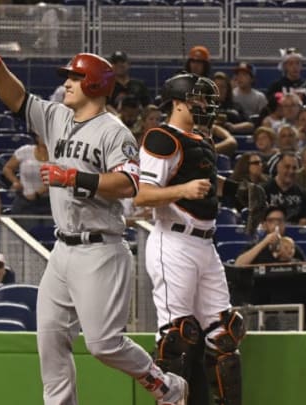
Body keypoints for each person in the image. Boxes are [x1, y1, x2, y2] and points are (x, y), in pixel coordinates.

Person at [0, 38, 189, 404]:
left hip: (100, 249)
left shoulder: (112, 130)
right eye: (68, 77)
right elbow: (18, 99)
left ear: (96, 84)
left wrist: (76, 179)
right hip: (63, 249)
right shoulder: (57, 116)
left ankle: (166, 386)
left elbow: (130, 183)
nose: (67, 83)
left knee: (103, 344)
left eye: (74, 77)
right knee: (50, 340)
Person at [134, 71, 244, 405]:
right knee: (177, 337)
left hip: (205, 243)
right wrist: (183, 189)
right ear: (179, 102)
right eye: (199, 99)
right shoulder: (161, 138)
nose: (206, 105)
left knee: (226, 332)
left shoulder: (201, 140)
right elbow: (143, 195)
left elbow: (207, 180)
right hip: (174, 241)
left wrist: (239, 191)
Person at [235, 205, 306, 265]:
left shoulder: (292, 247)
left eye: (280, 220)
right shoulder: (255, 246)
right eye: (271, 220)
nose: (276, 224)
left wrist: (289, 258)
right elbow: (238, 264)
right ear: (264, 225)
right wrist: (265, 242)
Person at [2, 134, 51, 215]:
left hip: (49, 202)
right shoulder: (25, 151)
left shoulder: (58, 155)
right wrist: (15, 182)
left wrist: (39, 193)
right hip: (24, 200)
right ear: (37, 137)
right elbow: (7, 168)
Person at [263, 151, 306, 225]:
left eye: (294, 168)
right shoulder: (264, 190)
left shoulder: (302, 193)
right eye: (287, 167)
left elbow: (304, 220)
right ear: (278, 167)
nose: (291, 171)